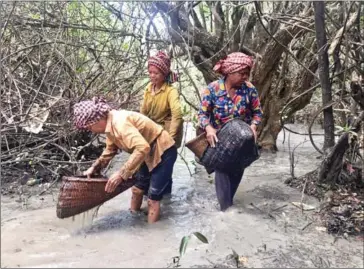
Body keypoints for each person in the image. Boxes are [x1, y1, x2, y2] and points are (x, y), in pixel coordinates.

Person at [73, 97, 177, 223]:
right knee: (137, 189)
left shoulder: (120, 123)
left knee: (153, 198)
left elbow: (142, 147)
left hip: (163, 150)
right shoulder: (110, 125)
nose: (91, 131)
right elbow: (110, 150)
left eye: (90, 128)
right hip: (146, 152)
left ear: (98, 119)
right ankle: (134, 220)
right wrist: (95, 167)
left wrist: (121, 174)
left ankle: (151, 233)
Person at [197, 52, 263, 211]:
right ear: (229, 72)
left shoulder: (249, 90)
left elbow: (257, 113)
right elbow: (202, 114)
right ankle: (226, 213)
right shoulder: (212, 89)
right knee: (223, 170)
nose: (245, 77)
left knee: (236, 173)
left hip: (242, 142)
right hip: (220, 143)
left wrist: (253, 127)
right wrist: (208, 128)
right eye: (242, 74)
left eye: (247, 74)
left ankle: (227, 207)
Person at [140, 51, 183, 195]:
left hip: (166, 131)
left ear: (164, 74)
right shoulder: (148, 89)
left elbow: (177, 115)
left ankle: (165, 199)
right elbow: (143, 113)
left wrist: (170, 139)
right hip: (151, 131)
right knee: (147, 164)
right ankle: (150, 197)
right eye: (150, 72)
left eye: (156, 73)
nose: (152, 76)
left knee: (164, 168)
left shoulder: (171, 91)